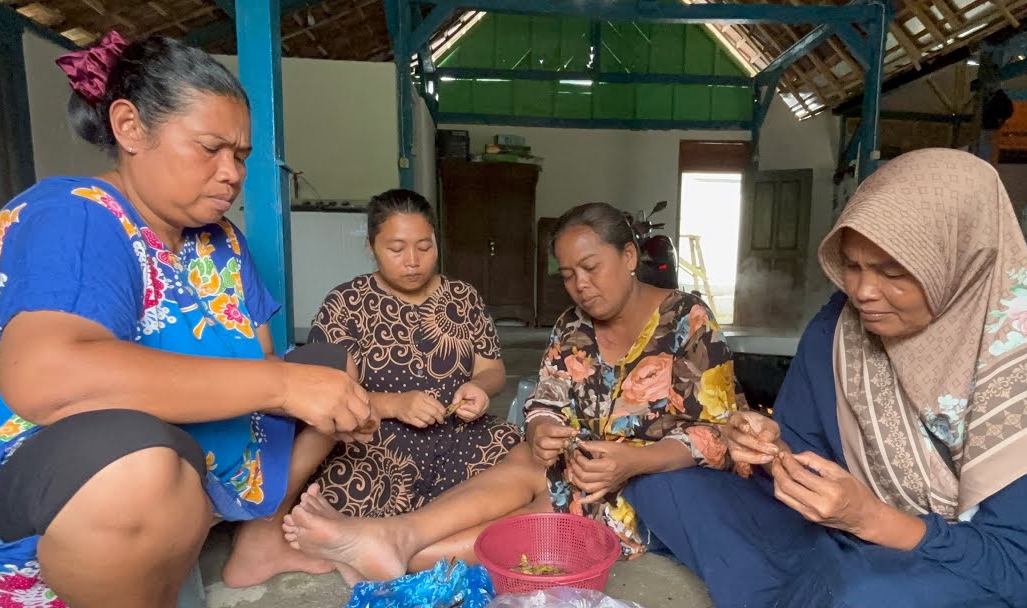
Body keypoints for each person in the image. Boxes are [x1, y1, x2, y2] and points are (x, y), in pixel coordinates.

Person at [0, 33, 373, 608]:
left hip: (177, 456)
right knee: (137, 462)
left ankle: (255, 538)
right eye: (209, 148)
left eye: (241, 156)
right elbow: (46, 375)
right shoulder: (73, 218)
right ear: (129, 128)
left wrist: (315, 389)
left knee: (336, 370)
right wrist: (282, 388)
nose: (231, 173)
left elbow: (264, 365)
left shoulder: (220, 244)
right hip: (12, 500)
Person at [618, 149, 1027, 608]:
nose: (863, 291)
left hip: (959, 571)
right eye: (852, 265)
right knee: (665, 485)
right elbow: (806, 447)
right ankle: (816, 607)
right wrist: (764, 443)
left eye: (893, 272)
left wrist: (866, 519)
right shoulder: (839, 329)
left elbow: (1024, 570)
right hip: (841, 533)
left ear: (965, 264)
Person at [282, 201, 743, 576]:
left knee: (558, 504)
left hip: (655, 476)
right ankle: (395, 536)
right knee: (526, 457)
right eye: (567, 275)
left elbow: (721, 433)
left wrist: (634, 460)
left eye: (590, 267)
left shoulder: (688, 321)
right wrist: (542, 425)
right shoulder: (572, 325)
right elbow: (546, 395)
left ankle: (397, 555)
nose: (580, 285)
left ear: (627, 258)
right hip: (585, 460)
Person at [305, 189, 521, 517]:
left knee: (518, 452)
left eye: (424, 247)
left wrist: (479, 387)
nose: (412, 261)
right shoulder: (346, 303)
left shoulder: (463, 297)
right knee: (335, 488)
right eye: (396, 249)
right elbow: (324, 394)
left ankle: (408, 534)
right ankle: (438, 528)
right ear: (371, 246)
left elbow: (493, 370)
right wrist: (395, 404)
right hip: (376, 444)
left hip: (458, 437)